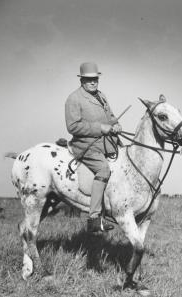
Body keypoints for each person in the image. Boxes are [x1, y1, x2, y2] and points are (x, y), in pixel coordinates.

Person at [65, 62, 122, 233]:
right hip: (86, 146)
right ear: (81, 80)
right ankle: (94, 218)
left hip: (106, 144)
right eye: (89, 79)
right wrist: (100, 128)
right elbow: (72, 127)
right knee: (104, 170)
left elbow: (110, 116)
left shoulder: (101, 95)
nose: (93, 82)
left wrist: (116, 124)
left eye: (95, 79)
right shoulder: (74, 98)